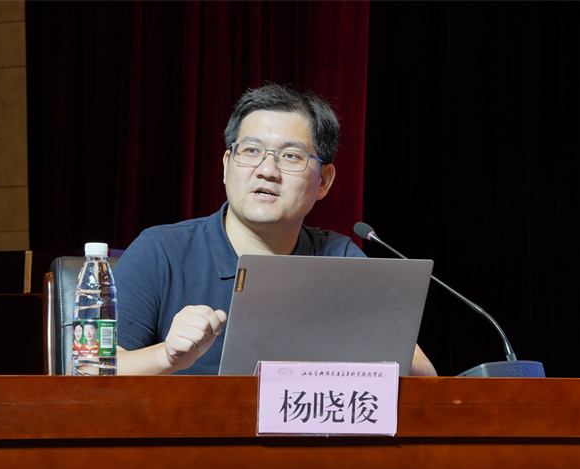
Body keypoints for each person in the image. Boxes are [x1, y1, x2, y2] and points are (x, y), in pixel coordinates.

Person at [115, 83, 436, 376]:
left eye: (290, 156)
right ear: (226, 165)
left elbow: (424, 374)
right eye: (251, 151)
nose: (267, 170)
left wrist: (365, 340)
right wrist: (167, 357)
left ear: (324, 181)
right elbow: (94, 369)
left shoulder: (339, 259)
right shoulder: (161, 251)